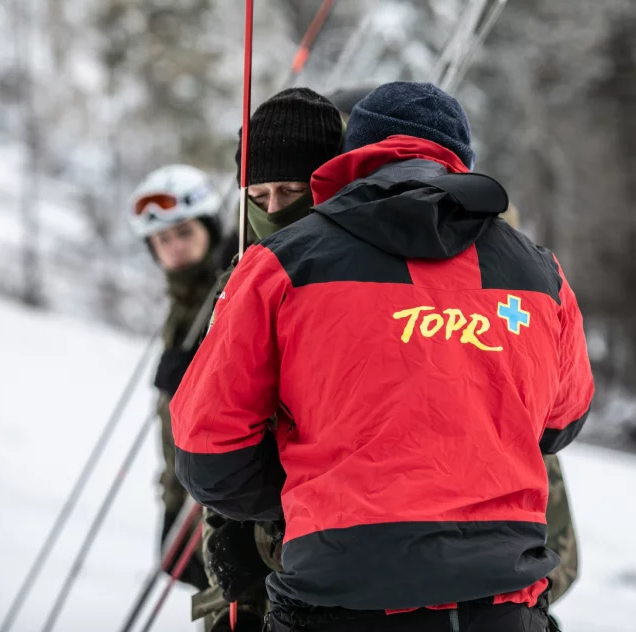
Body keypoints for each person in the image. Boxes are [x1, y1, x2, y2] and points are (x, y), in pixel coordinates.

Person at [172, 81, 595, 632]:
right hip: (502, 600)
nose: (273, 209)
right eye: (259, 198)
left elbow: (207, 452)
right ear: (460, 161)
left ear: (351, 157)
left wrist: (310, 489)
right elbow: (561, 421)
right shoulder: (539, 271)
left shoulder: (283, 262)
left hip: (337, 593)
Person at [190, 88, 345, 632]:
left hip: (333, 565)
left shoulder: (356, 283)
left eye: (293, 191)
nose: (275, 209)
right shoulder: (238, 280)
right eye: (258, 195)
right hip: (262, 571)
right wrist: (226, 545)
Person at [127, 164, 227, 593]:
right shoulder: (181, 302)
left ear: (209, 228)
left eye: (184, 232)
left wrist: (198, 373)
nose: (174, 248)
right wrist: (171, 496)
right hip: (184, 488)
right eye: (162, 240)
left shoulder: (230, 286)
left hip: (223, 495)